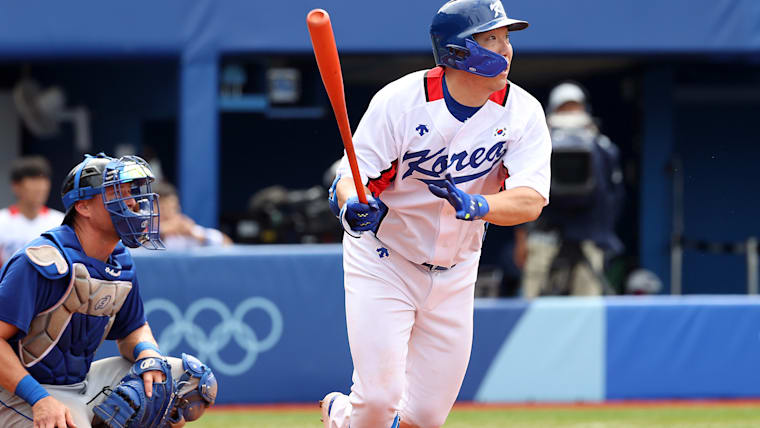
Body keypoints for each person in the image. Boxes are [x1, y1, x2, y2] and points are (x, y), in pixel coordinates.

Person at [320, 1, 551, 427]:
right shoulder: (400, 102)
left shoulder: (523, 112)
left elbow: (531, 199)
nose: (506, 48)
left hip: (456, 269)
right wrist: (351, 205)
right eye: (492, 38)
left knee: (425, 417)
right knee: (378, 402)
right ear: (458, 50)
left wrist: (479, 205)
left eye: (506, 37)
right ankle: (344, 415)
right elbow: (350, 178)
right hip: (385, 260)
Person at [0, 153, 216, 428]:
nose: (132, 202)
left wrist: (148, 354)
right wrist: (39, 399)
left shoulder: (120, 261)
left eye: (130, 193)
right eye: (117, 193)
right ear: (83, 206)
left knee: (188, 382)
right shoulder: (42, 260)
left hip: (81, 384)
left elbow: (133, 329)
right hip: (20, 392)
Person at [519, 81, 625, 297]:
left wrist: (603, 234)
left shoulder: (603, 148)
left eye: (574, 107)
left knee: (587, 300)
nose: (570, 113)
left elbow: (614, 196)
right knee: (532, 295)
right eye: (564, 108)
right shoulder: (536, 144)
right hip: (545, 231)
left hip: (588, 232)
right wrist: (522, 238)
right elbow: (522, 192)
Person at [0, 156, 64, 267]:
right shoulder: (2, 221)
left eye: (43, 181)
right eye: (34, 181)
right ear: (16, 186)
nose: (40, 187)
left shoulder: (60, 222)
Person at [151, 181, 232, 249]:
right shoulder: (146, 228)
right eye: (162, 208)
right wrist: (162, 231)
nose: (167, 213)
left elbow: (226, 242)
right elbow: (146, 240)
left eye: (172, 208)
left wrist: (196, 235)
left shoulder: (184, 228)